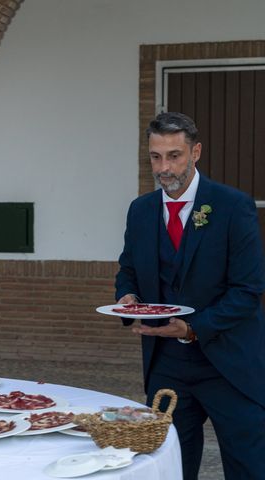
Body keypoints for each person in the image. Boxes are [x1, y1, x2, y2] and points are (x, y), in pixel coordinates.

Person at [115, 112, 265, 479]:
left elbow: (248, 291)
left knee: (248, 465)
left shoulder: (232, 206)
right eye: (155, 157)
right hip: (166, 365)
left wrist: (192, 328)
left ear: (195, 152)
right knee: (169, 465)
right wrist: (128, 296)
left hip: (229, 361)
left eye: (174, 156)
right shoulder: (141, 210)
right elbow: (128, 268)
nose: (164, 168)